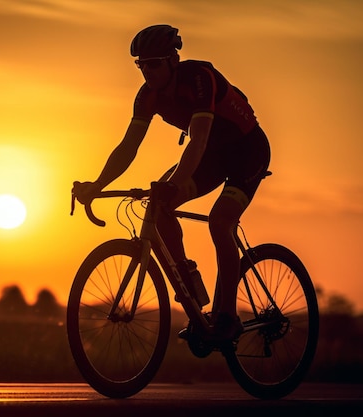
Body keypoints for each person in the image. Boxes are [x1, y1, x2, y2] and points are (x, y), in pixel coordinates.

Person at [73, 24, 271, 342]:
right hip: (212, 157)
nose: (146, 71)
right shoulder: (147, 96)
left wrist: (176, 183)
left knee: (220, 223)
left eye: (153, 63)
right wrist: (97, 184)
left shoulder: (199, 79)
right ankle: (189, 288)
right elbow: (128, 147)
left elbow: (198, 138)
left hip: (247, 151)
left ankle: (228, 317)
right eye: (141, 64)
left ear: (172, 60)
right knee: (159, 206)